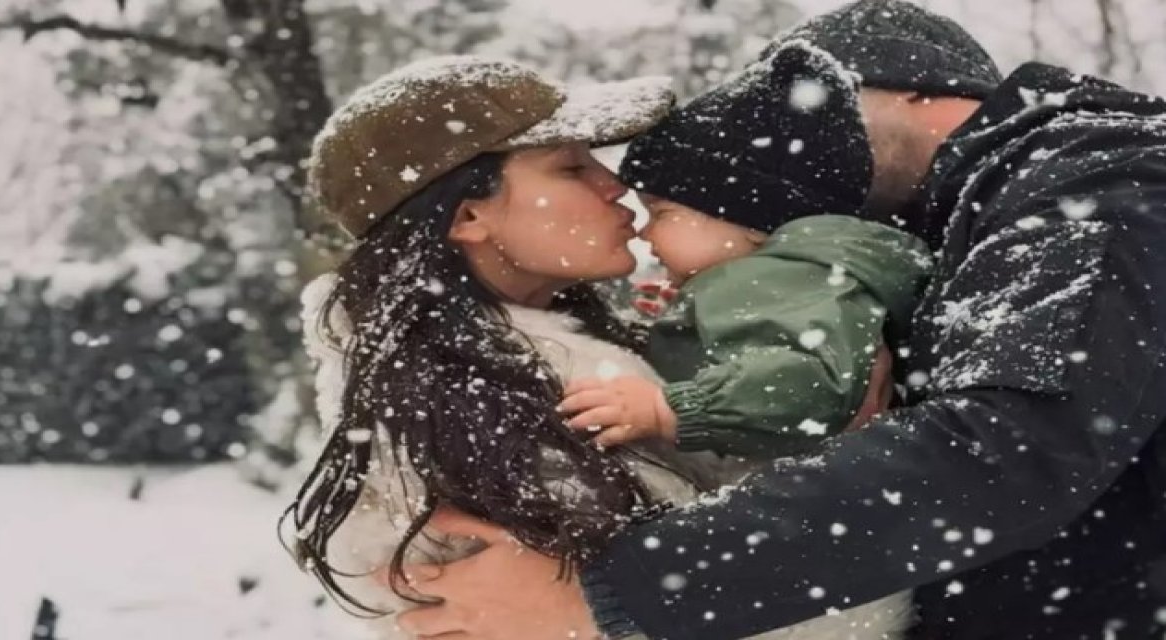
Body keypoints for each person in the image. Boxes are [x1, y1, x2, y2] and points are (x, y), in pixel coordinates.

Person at [391, 1, 1166, 638]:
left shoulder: (1096, 182)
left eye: (823, 113)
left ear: (919, 90)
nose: (809, 151)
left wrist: (618, 588)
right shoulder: (963, 222)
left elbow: (1007, 450)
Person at [284, 56, 909, 640]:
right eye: (571, 167)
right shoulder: (461, 412)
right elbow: (789, 621)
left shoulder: (518, 363)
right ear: (468, 217)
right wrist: (850, 462)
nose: (615, 185)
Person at [559, 42, 932, 458]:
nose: (644, 232)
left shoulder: (781, 283)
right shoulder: (796, 283)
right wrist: (687, 325)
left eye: (661, 213)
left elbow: (808, 386)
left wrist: (667, 410)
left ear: (751, 221)